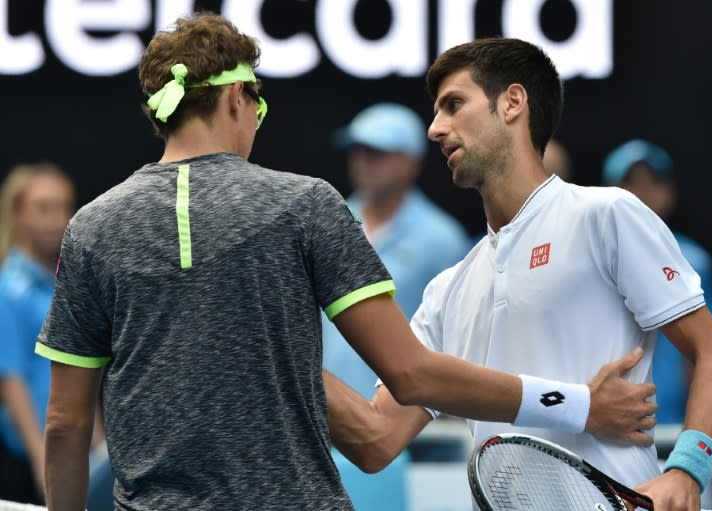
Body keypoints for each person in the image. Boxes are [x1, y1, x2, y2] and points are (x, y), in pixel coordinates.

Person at [33, 14, 656, 511]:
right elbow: (410, 377)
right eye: (259, 107)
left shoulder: (91, 227)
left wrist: (252, 352)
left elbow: (64, 423)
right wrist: (574, 404)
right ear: (236, 102)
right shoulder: (302, 205)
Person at [324, 37, 712, 511]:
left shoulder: (605, 214)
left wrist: (687, 470)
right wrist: (277, 341)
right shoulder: (447, 291)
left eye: (454, 105)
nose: (435, 129)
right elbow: (375, 439)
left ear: (513, 103)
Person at [323, 102, 468, 398]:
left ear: (412, 162)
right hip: (320, 416)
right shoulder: (323, 223)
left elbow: (456, 338)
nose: (363, 161)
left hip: (403, 422)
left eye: (377, 153)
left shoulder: (442, 239)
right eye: (358, 150)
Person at [602, 139, 712, 424]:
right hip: (609, 423)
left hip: (674, 424)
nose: (643, 192)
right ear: (608, 193)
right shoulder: (592, 259)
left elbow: (709, 353)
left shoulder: (695, 260)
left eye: (653, 182)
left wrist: (697, 427)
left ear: (670, 192)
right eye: (630, 182)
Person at [0, 162, 75, 505]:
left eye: (63, 207)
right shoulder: (8, 288)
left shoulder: (62, 284)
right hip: (28, 456)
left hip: (67, 450)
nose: (57, 219)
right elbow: (10, 379)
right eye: (43, 208)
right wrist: (39, 458)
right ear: (17, 214)